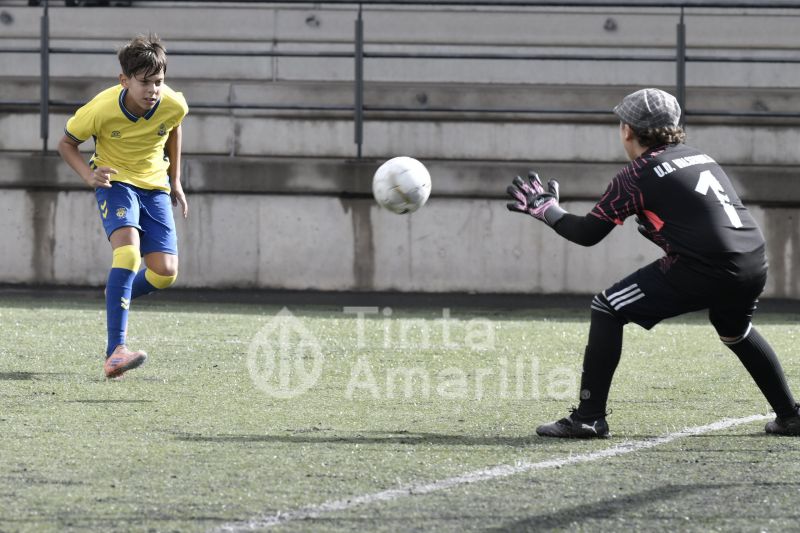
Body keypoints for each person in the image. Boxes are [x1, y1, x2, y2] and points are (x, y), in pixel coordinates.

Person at [506, 87, 800, 438]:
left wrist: (547, 210)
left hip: (706, 267)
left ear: (627, 130)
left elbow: (588, 234)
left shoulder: (637, 175)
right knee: (734, 329)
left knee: (607, 307)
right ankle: (791, 415)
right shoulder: (700, 157)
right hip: (753, 259)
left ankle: (588, 418)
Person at [58, 34, 189, 379]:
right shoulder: (101, 108)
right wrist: (88, 175)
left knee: (164, 274)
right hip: (115, 182)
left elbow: (174, 128)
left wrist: (175, 179)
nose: (153, 90)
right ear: (124, 80)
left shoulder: (174, 103)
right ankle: (116, 351)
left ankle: (118, 289)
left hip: (155, 185)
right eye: (145, 82)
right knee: (128, 256)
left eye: (158, 82)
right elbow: (67, 143)